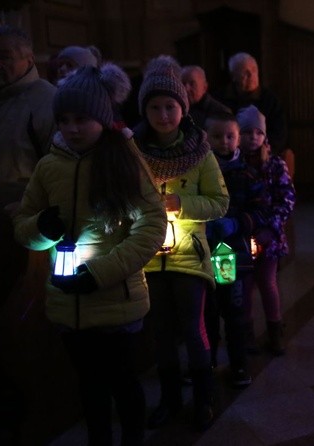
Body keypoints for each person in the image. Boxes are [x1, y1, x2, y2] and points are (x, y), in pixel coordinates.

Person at [12, 64, 167, 446]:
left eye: (81, 119)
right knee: (89, 386)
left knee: (123, 383)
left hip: (117, 300)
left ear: (102, 118)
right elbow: (24, 224)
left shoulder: (124, 162)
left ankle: (132, 438)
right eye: (63, 119)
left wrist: (101, 272)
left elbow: (151, 225)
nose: (71, 127)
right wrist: (40, 229)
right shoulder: (49, 167)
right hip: (68, 303)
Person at [132, 55, 229, 431]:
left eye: (170, 106)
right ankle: (170, 400)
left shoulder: (199, 151)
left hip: (189, 257)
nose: (163, 114)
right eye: (154, 107)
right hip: (148, 258)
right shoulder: (135, 151)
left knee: (192, 328)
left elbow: (220, 202)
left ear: (182, 108)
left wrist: (182, 204)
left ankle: (204, 396)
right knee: (161, 333)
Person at [0, 24, 56, 359]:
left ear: (28, 58)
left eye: (4, 57)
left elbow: (57, 170)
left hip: (20, 238)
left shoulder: (47, 101)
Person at [203, 111, 269, 388]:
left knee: (233, 310)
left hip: (232, 252)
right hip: (205, 251)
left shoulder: (247, 173)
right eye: (217, 136)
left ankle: (238, 364)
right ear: (206, 139)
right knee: (208, 310)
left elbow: (261, 210)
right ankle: (207, 362)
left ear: (238, 139)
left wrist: (237, 224)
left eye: (230, 136)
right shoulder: (201, 173)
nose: (224, 142)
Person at [236, 105, 295, 356]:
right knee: (245, 286)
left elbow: (286, 199)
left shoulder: (274, 165)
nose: (253, 137)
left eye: (258, 133)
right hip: (241, 235)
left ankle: (275, 331)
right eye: (247, 132)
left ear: (265, 136)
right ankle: (246, 334)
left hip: (268, 237)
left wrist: (271, 228)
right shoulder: (233, 164)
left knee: (268, 283)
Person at [214, 52, 288, 155]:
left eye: (254, 70)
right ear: (233, 76)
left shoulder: (269, 100)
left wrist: (266, 148)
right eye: (246, 72)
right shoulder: (220, 98)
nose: (252, 75)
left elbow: (279, 134)